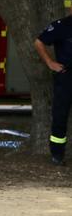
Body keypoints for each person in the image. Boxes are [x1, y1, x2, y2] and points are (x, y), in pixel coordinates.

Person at [34, 10, 72, 166]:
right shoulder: (62, 25)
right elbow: (39, 42)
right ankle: (57, 154)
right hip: (66, 76)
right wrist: (50, 63)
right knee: (60, 116)